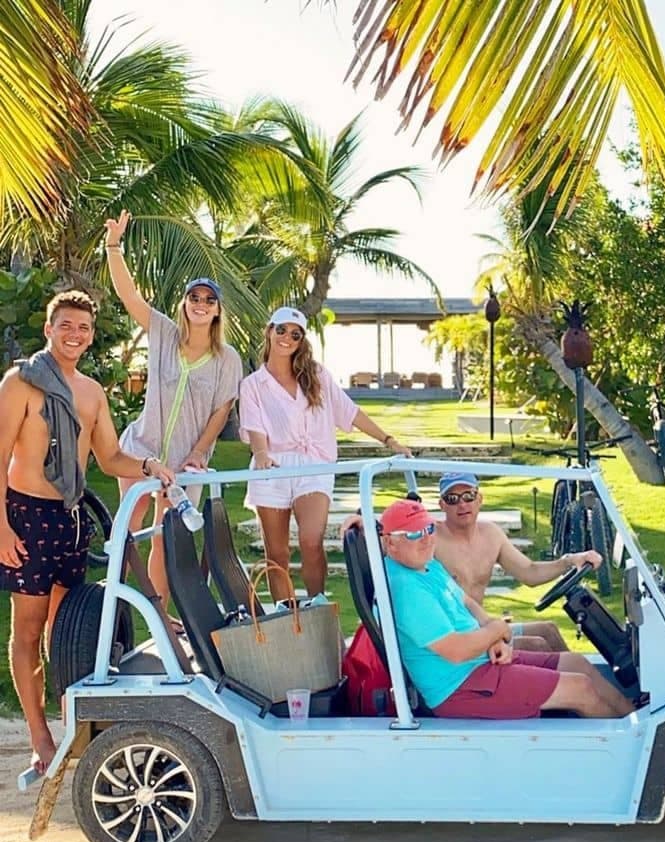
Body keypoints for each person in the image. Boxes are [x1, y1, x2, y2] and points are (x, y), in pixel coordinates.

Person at [0, 291, 175, 774]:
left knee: (66, 632)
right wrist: (0, 528)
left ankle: (68, 725)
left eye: (83, 328)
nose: (75, 335)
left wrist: (147, 465)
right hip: (27, 516)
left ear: (91, 335)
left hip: (70, 519)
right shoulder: (22, 382)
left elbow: (109, 458)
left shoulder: (93, 392)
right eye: (66, 326)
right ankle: (39, 738)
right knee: (29, 631)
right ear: (50, 330)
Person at [380, 499, 633, 719]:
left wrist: (493, 636)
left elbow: (467, 603)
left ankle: (634, 715)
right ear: (390, 543)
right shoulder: (405, 588)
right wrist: (498, 629)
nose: (426, 538)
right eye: (413, 534)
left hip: (480, 663)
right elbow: (457, 651)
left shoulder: (426, 565)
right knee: (580, 688)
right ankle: (635, 751)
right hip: (460, 686)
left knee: (577, 664)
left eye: (428, 528)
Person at [104, 210, 242, 604]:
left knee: (167, 541)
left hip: (185, 465)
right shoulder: (163, 331)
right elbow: (129, 295)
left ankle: (159, 615)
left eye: (208, 300)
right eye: (194, 298)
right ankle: (115, 605)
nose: (200, 304)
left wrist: (198, 453)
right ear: (184, 304)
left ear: (217, 310)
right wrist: (114, 245)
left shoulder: (226, 358)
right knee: (128, 530)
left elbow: (221, 410)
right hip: (141, 450)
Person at [240, 307, 412, 605]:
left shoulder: (316, 375)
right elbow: (254, 428)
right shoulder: (253, 384)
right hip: (271, 469)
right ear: (269, 331)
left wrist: (388, 439)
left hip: (314, 466)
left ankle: (317, 607)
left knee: (310, 540)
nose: (287, 338)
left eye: (296, 334)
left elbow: (350, 411)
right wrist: (262, 454)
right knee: (277, 552)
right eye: (281, 330)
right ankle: (287, 616)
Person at [341, 472, 599, 651]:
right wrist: (367, 525)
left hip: (481, 624)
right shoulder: (430, 537)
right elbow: (398, 533)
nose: (461, 504)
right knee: (538, 645)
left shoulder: (491, 534)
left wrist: (570, 560)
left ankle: (569, 709)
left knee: (549, 630)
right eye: (452, 499)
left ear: (479, 499)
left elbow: (529, 573)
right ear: (442, 504)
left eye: (468, 496)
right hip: (456, 634)